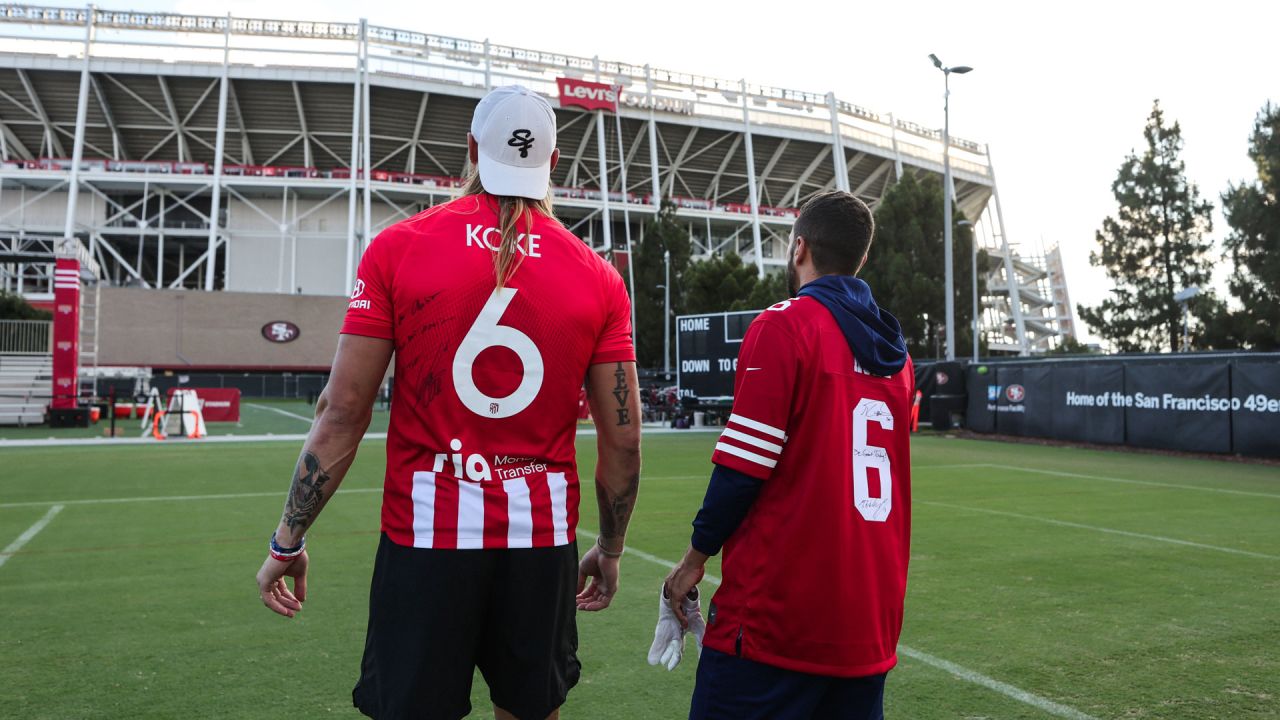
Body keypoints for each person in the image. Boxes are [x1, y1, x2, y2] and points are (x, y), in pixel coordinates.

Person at [254, 85, 642, 720]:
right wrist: (614, 546)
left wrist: (287, 542)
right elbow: (623, 441)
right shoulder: (599, 276)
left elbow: (342, 412)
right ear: (552, 162)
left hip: (426, 538)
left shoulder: (399, 247)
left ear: (469, 151)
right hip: (541, 544)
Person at [661, 191, 913, 720]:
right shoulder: (898, 355)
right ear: (860, 259)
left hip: (780, 612)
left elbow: (742, 468)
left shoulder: (784, 325)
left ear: (799, 248)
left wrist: (693, 561)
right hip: (869, 613)